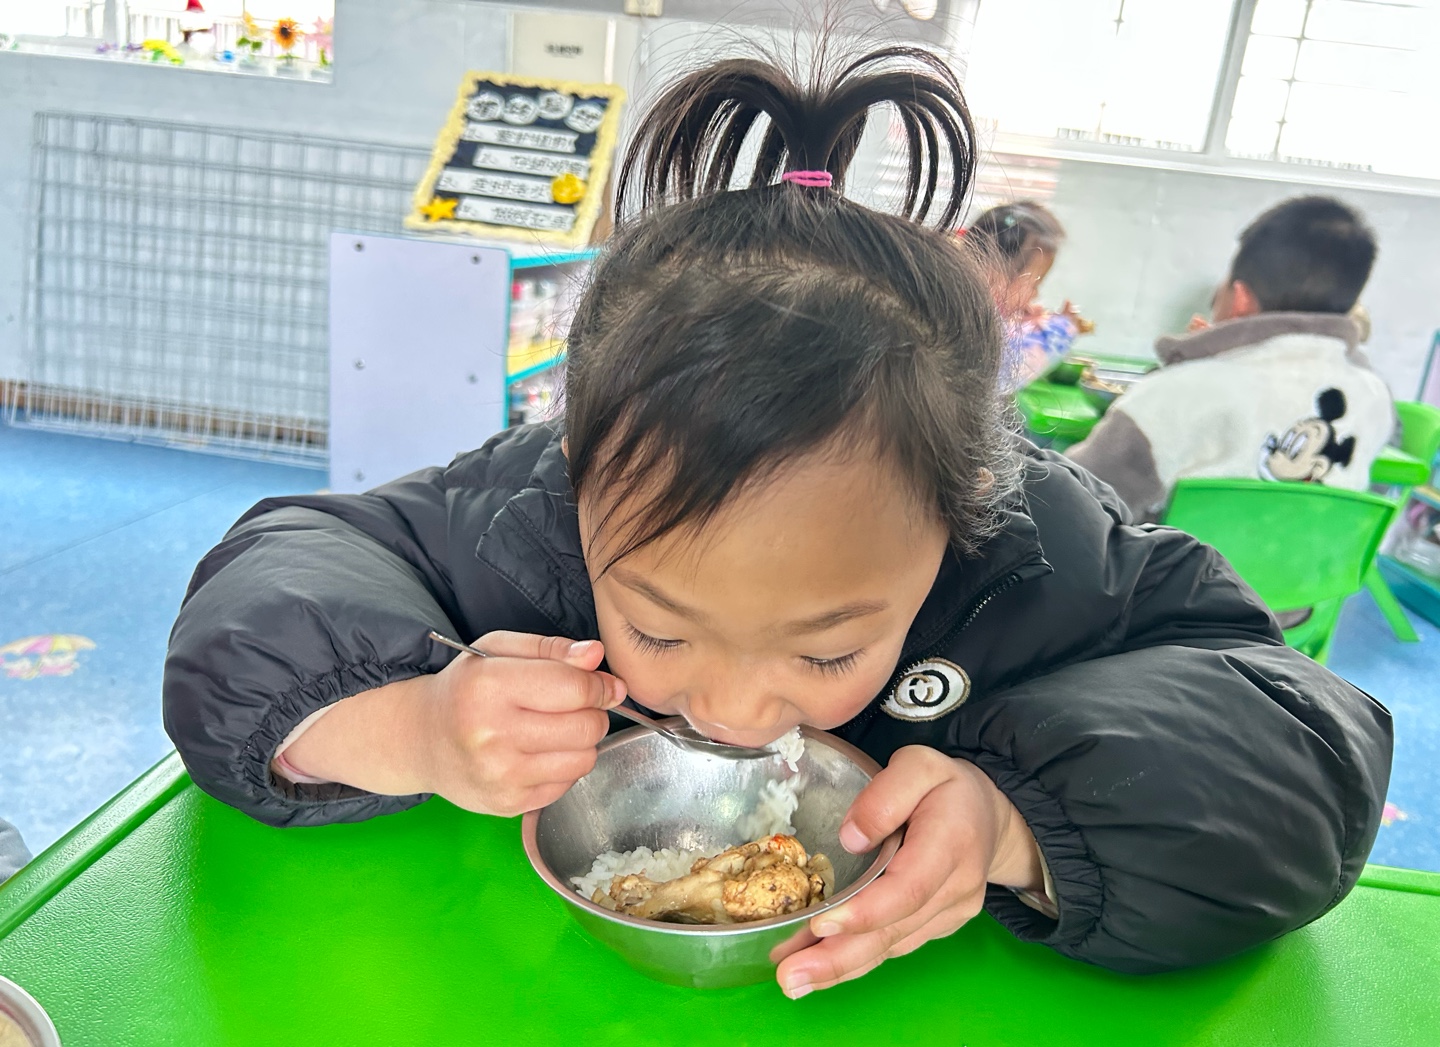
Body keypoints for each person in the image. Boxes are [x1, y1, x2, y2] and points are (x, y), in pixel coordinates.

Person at [163, 49, 1390, 993]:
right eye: (659, 628)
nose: (741, 711)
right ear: (579, 480)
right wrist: (413, 726)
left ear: (961, 518)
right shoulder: (529, 519)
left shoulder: (1035, 548)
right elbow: (269, 588)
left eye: (826, 649)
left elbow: (1308, 757)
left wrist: (1018, 828)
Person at [1068, 196, 1393, 520]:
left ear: (1240, 300)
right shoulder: (1374, 398)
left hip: (1178, 556)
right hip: (1308, 556)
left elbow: (1070, 504)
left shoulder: (1177, 393)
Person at [961, 201, 1091, 389]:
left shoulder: (964, 306)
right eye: (1034, 284)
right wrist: (1063, 329)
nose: (1035, 295)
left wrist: (1024, 325)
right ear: (992, 275)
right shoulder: (969, 323)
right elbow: (1010, 373)